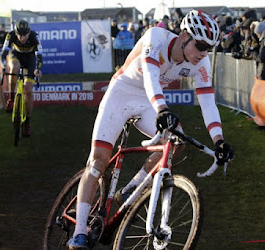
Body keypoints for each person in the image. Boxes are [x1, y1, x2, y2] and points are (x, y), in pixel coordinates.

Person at [67, 10, 234, 249]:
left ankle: (132, 188)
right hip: (122, 93)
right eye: (200, 46)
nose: (204, 53)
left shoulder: (201, 62)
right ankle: (79, 231)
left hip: (149, 100)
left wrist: (219, 140)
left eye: (209, 48)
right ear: (184, 36)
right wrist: (163, 108)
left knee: (177, 143)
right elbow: (151, 77)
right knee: (98, 162)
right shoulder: (156, 37)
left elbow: (208, 101)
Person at [0, 20, 43, 137]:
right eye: (19, 34)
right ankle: (11, 98)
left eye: (25, 34)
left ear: (29, 33)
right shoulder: (10, 35)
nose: (22, 37)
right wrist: (3, 66)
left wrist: (38, 69)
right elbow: (4, 53)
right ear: (15, 32)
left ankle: (27, 122)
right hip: (16, 55)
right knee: (14, 67)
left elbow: (39, 56)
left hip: (30, 59)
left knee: (28, 90)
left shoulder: (35, 37)